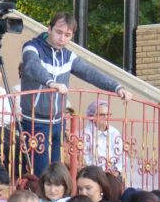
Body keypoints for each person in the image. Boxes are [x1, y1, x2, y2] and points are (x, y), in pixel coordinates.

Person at [18, 14, 125, 172]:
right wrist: (51, 82)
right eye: (59, 32)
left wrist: (117, 87)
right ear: (49, 29)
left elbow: (90, 73)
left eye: (67, 35)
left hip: (58, 122)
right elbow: (33, 67)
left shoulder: (68, 56)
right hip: (35, 121)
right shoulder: (32, 47)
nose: (62, 38)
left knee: (57, 172)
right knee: (40, 172)